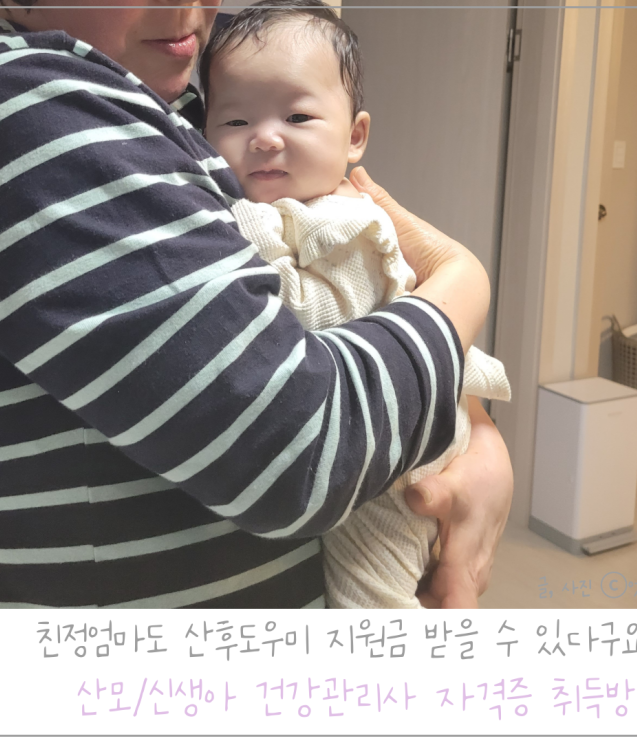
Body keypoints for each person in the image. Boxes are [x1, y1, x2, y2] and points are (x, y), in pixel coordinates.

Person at [0, 0, 512, 609]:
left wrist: (481, 444)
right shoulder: (25, 106)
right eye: (238, 123)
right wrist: (465, 278)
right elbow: (300, 454)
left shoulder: (196, 75)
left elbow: (383, 295)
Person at [199, 0, 511, 608]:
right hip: (389, 429)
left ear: (355, 136)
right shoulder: (298, 212)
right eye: (234, 121)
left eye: (297, 116)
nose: (264, 137)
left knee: (370, 596)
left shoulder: (345, 222)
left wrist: (249, 236)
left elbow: (309, 319)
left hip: (396, 462)